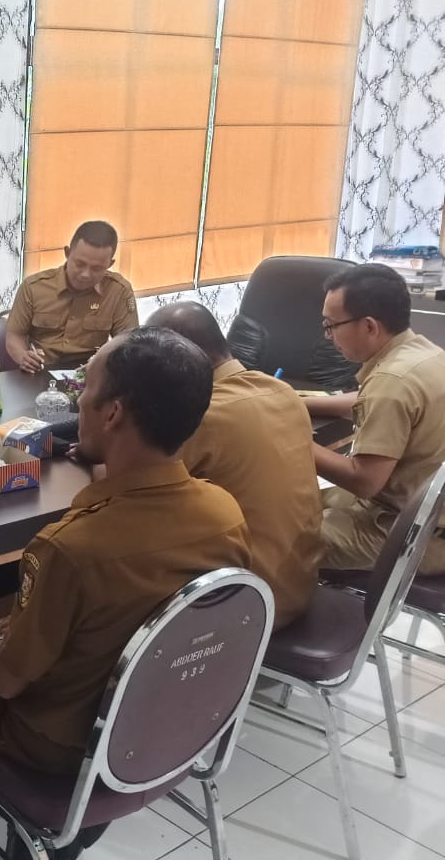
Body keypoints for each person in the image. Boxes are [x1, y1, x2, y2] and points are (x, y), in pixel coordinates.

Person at [0, 328, 250, 856]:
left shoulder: (69, 548)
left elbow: (6, 681)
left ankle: (8, 788)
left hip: (59, 742)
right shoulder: (225, 512)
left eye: (84, 390)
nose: (77, 404)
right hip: (167, 723)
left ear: (113, 413)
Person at [147, 302, 322, 628]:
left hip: (242, 608)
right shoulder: (283, 392)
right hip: (298, 583)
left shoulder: (202, 416)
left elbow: (129, 485)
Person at [306, 264, 445, 573]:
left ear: (369, 326)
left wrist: (291, 439)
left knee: (276, 532)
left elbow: (364, 481)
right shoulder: (424, 354)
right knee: (298, 497)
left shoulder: (390, 383)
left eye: (331, 325)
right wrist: (295, 404)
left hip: (411, 534)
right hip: (421, 513)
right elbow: (369, 401)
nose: (328, 336)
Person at [5, 220, 138, 373]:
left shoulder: (119, 291)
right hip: (40, 371)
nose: (85, 274)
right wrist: (23, 357)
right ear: (67, 253)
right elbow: (15, 335)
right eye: (79, 264)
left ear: (109, 264)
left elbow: (128, 345)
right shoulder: (34, 287)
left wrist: (104, 364)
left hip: (91, 373)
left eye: (96, 268)